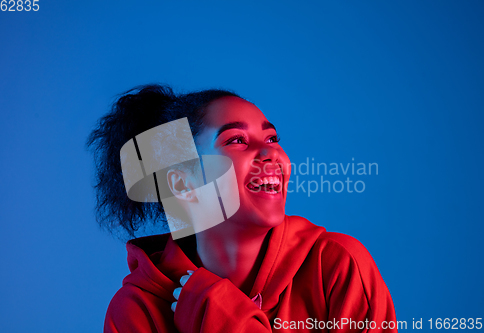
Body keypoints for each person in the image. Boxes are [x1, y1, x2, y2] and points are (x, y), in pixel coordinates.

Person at [86, 84, 397, 332]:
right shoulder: (138, 310)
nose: (271, 152)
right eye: (237, 140)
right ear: (182, 184)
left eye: (272, 137)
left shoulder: (338, 266)